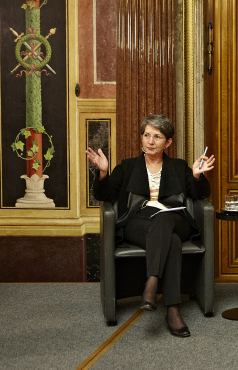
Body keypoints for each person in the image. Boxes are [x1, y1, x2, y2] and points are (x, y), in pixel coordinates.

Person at [86, 114, 215, 338]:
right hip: (139, 223)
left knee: (163, 217)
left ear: (169, 142)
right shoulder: (127, 167)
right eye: (146, 135)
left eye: (157, 136)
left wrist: (196, 176)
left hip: (175, 219)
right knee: (171, 241)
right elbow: (104, 195)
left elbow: (200, 195)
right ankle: (173, 310)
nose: (150, 141)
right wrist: (104, 172)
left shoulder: (178, 166)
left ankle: (151, 283)